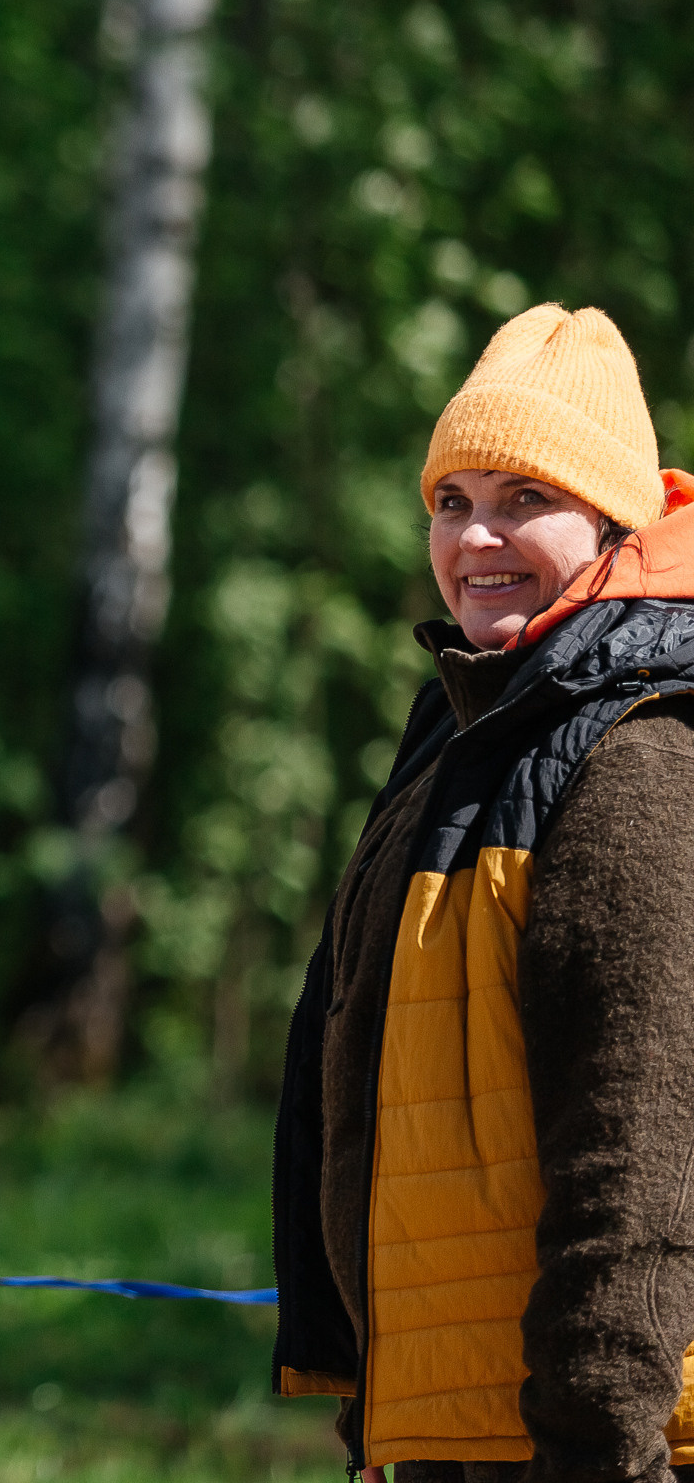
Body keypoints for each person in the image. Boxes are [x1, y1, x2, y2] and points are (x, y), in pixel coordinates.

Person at [272, 304, 694, 1482]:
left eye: (524, 499)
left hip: (585, 1444)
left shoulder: (638, 756)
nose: (476, 539)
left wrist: (598, 1451)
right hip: (454, 1428)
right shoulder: (465, 732)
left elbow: (641, 1153)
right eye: (451, 502)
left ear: (613, 523)